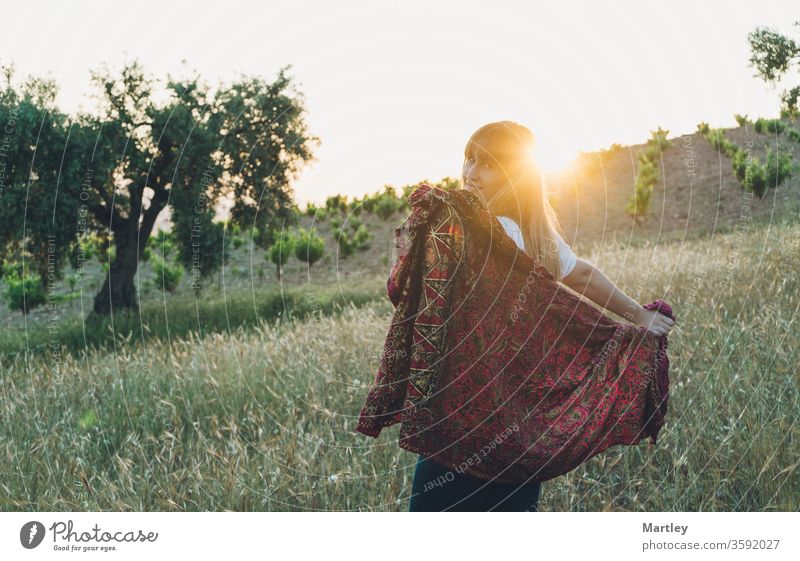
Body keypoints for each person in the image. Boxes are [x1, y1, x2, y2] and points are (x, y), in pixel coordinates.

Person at [408, 121, 675, 512]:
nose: (470, 173)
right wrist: (638, 315)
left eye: (487, 164)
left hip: (464, 421)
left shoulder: (484, 229)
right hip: (520, 426)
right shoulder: (532, 234)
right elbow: (581, 274)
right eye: (469, 159)